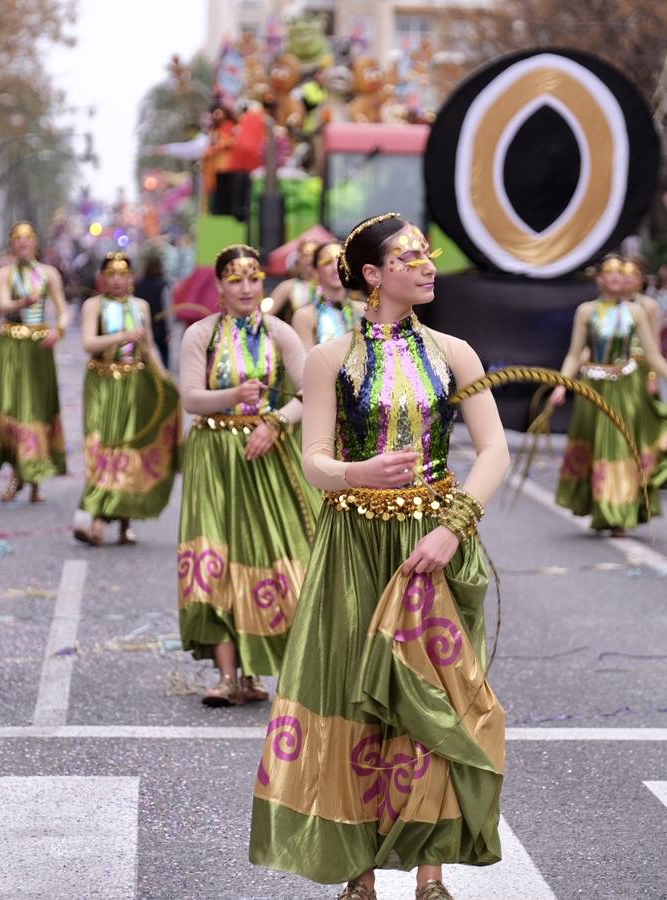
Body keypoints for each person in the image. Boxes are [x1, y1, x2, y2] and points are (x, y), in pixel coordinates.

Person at [250, 214, 510, 900]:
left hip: (432, 545)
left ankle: (431, 875)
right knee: (354, 699)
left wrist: (452, 529)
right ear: (372, 275)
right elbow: (313, 461)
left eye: (428, 256)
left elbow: (494, 453)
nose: (428, 267)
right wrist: (358, 473)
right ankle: (357, 875)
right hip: (352, 547)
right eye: (411, 257)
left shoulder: (457, 354)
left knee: (434, 700)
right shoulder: (329, 359)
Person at [176, 244, 319, 707]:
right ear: (219, 285)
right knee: (217, 553)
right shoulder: (201, 335)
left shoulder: (280, 333)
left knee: (268, 555)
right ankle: (224, 676)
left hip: (268, 456)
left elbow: (312, 393)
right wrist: (235, 394)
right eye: (235, 280)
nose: (246, 288)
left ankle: (255, 670)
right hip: (215, 457)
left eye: (254, 278)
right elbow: (192, 399)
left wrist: (277, 422)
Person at [550, 254, 667, 535]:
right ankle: (599, 508)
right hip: (591, 388)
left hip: (625, 389)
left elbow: (653, 354)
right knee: (594, 446)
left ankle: (619, 513)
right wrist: (561, 384)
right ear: (600, 279)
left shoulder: (636, 312)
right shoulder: (586, 311)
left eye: (620, 272)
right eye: (609, 272)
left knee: (619, 447)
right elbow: (574, 354)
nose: (616, 276)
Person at [75, 252, 181, 546]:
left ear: (132, 277)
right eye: (111, 274)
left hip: (135, 382)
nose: (118, 280)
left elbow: (149, 348)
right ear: (103, 278)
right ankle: (96, 516)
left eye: (123, 274)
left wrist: (164, 379)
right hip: (102, 382)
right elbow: (88, 343)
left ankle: (124, 521)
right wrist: (122, 336)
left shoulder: (141, 307)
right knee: (101, 446)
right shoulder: (93, 306)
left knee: (130, 448)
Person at [0, 221, 69, 503]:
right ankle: (16, 474)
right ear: (11, 244)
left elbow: (62, 310)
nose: (22, 243)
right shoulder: (3, 274)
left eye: (28, 238)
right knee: (10, 408)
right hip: (11, 346)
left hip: (38, 348)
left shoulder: (49, 274)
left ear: (36, 242)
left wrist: (59, 330)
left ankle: (34, 479)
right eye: (17, 239)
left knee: (35, 409)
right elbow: (4, 305)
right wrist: (24, 302)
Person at [289, 240, 363, 349]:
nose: (335, 268)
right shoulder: (305, 316)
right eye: (327, 263)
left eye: (340, 261)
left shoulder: (364, 310)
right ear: (315, 272)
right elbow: (306, 363)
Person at [267, 238, 319, 322]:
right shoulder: (288, 286)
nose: (310, 259)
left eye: (313, 254)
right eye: (305, 255)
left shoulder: (327, 286)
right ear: (299, 258)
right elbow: (266, 315)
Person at [134, 253, 171, 366]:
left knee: (144, 356)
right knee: (162, 357)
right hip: (160, 327)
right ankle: (162, 378)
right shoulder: (163, 285)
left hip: (141, 325)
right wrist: (168, 330)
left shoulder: (138, 284)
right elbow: (167, 307)